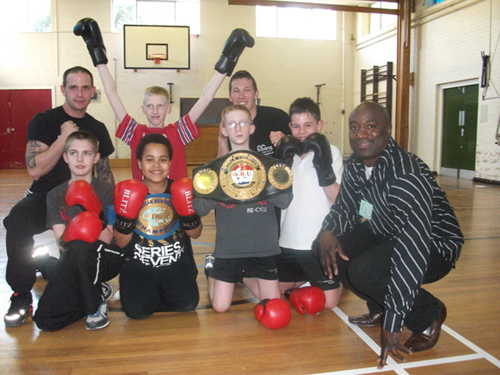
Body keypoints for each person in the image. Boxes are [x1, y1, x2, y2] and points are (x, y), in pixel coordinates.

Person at [316, 101, 463, 369]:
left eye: (371, 127)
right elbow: (347, 208)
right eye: (355, 127)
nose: (361, 135)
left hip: (432, 244)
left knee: (364, 271)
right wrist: (328, 230)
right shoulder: (357, 165)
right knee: (332, 251)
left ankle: (428, 313)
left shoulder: (405, 175)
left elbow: (411, 252)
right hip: (386, 230)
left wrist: (394, 323)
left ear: (388, 130)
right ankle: (380, 307)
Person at [74, 18, 254, 181]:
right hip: (143, 207)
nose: (155, 110)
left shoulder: (177, 132)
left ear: (168, 109)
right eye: (150, 106)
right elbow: (111, 93)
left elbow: (206, 97)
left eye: (160, 106)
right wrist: (98, 55)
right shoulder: (136, 133)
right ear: (143, 109)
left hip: (176, 205)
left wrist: (227, 60)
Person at [3, 66, 115, 328]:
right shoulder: (44, 120)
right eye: (73, 87)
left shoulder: (97, 128)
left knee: (113, 226)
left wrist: (111, 212)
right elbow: (35, 169)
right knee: (17, 220)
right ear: (63, 90)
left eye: (85, 87)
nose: (79, 93)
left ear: (92, 92)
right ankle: (21, 294)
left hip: (86, 201)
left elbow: (106, 175)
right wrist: (63, 137)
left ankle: (78, 272)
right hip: (47, 198)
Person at [193, 105, 293, 313]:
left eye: (243, 123)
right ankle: (213, 269)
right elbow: (200, 209)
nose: (237, 128)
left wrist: (268, 185)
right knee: (220, 307)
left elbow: (285, 202)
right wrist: (220, 189)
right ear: (224, 130)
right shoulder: (214, 169)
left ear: (252, 128)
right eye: (231, 123)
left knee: (273, 303)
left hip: (263, 247)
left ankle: (244, 276)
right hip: (229, 248)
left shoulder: (269, 165)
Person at [32, 131, 122, 331]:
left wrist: (93, 214)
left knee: (82, 246)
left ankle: (95, 304)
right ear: (65, 157)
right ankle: (90, 287)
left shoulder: (108, 191)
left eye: (87, 153)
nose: (80, 159)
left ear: (96, 157)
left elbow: (108, 238)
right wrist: (77, 229)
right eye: (73, 153)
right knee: (46, 320)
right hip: (72, 260)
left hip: (106, 258)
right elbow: (62, 245)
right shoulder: (54, 195)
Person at [112, 134, 202, 319]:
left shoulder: (180, 189)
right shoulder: (128, 191)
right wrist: (126, 218)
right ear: (139, 163)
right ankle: (137, 291)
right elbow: (120, 242)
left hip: (175, 262)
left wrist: (188, 212)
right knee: (136, 312)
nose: (156, 166)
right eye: (149, 159)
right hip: (139, 264)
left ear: (169, 162)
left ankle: (153, 292)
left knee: (188, 304)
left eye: (162, 159)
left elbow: (196, 233)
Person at [275, 97, 344, 311]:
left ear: (319, 125)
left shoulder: (332, 152)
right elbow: (274, 200)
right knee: (272, 293)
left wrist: (323, 167)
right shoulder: (286, 153)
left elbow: (338, 201)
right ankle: (306, 282)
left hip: (318, 244)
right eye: (296, 126)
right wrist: (280, 162)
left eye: (308, 125)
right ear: (289, 128)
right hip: (286, 242)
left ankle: (340, 277)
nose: (302, 131)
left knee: (329, 304)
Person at [217, 70, 290, 157]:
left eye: (247, 90)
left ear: (256, 94)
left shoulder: (278, 117)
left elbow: (300, 149)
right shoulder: (229, 124)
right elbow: (222, 166)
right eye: (236, 91)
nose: (241, 96)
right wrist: (222, 138)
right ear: (230, 96)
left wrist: (286, 141)